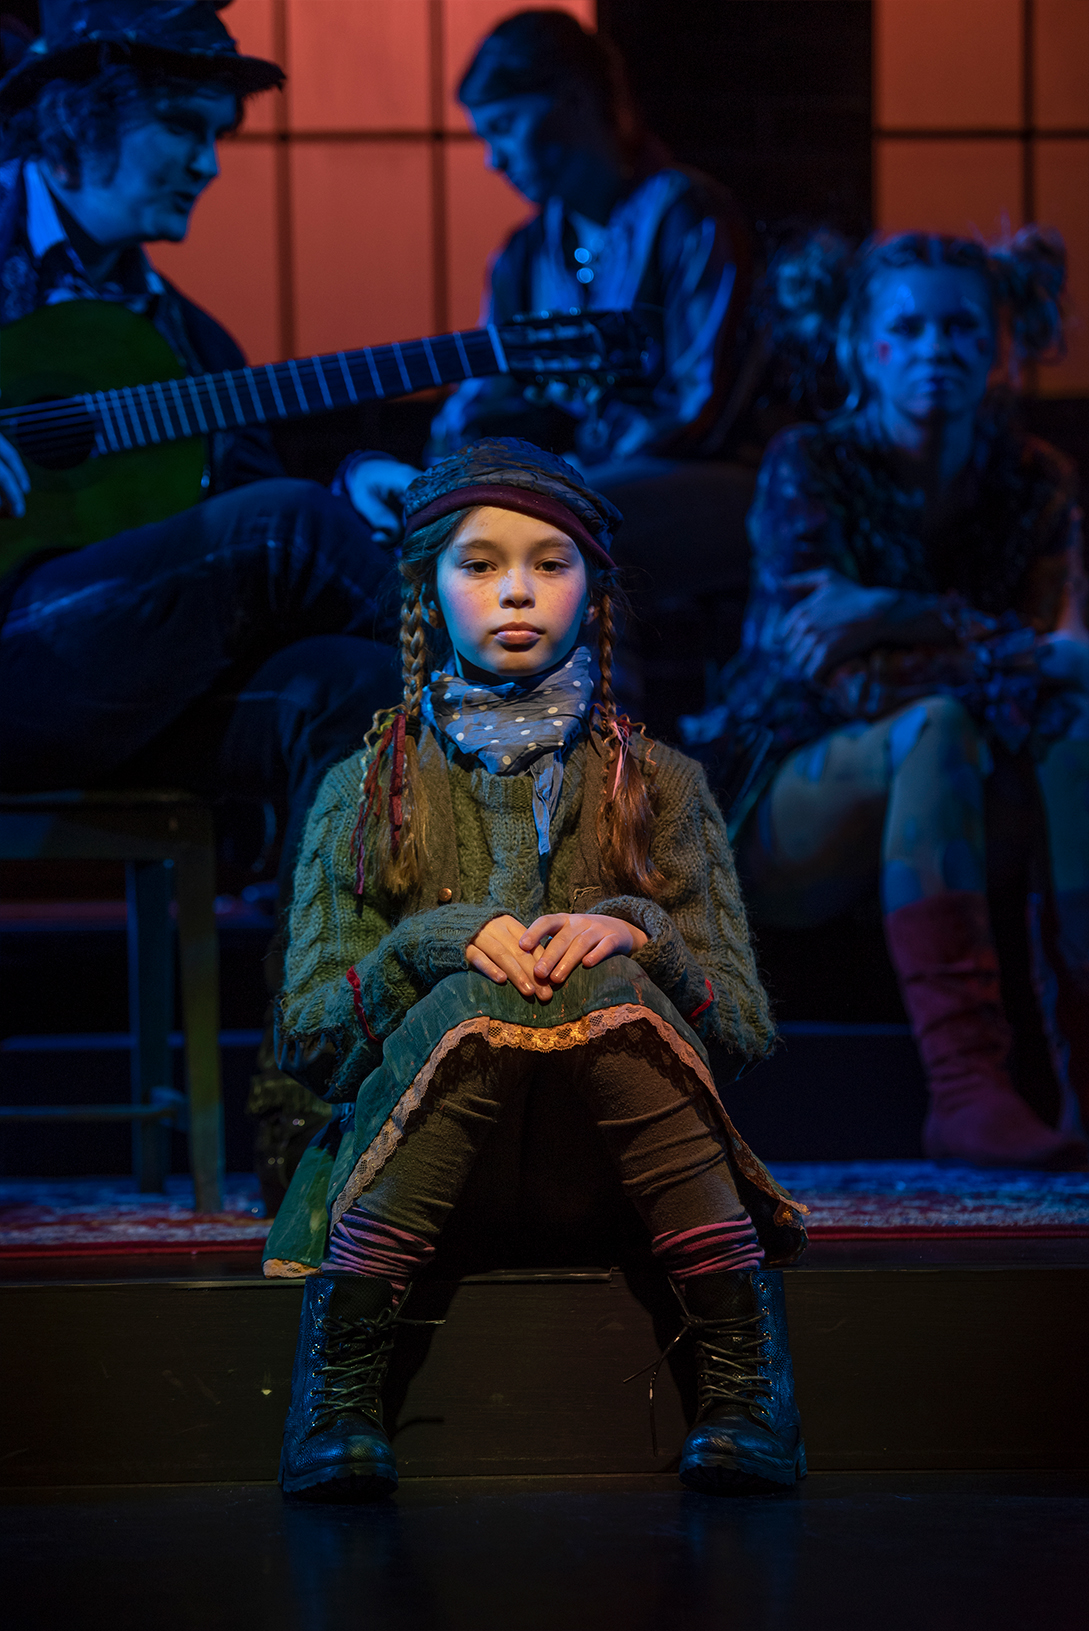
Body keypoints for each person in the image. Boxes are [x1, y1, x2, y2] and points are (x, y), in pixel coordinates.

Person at [262, 437, 808, 1501]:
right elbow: (309, 1041)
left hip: (616, 1180)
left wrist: (641, 933)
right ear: (428, 589)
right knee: (482, 989)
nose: (515, 590)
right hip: (423, 1185)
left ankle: (745, 1385)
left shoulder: (660, 784)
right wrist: (426, 943)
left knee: (598, 980)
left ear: (591, 587)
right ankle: (338, 1392)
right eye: (480, 564)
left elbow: (742, 1031)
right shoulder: (361, 791)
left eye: (548, 563)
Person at [0, 2, 405, 1205]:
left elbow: (243, 527)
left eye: (217, 132)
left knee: (356, 685)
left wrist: (352, 485)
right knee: (285, 526)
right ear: (80, 121)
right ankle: (538, 766)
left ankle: (314, 1105)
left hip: (137, 694)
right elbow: (267, 531)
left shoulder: (183, 338)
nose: (210, 162)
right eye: (184, 125)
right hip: (17, 670)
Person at [682, 228, 1089, 1171]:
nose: (935, 349)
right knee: (935, 725)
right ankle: (965, 1086)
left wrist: (887, 613)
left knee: (1074, 733)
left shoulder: (1036, 481)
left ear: (999, 345)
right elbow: (840, 678)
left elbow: (1058, 676)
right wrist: (1011, 651)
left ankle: (1080, 1082)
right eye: (906, 329)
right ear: (861, 347)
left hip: (967, 790)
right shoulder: (810, 464)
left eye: (962, 327)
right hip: (796, 792)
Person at [348, 9, 759, 735]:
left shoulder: (688, 215)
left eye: (505, 128)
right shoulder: (524, 254)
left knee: (556, 531)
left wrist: (566, 466)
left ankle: (603, 766)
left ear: (572, 100)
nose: (493, 159)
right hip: (580, 483)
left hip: (710, 477)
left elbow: (699, 408)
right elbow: (480, 402)